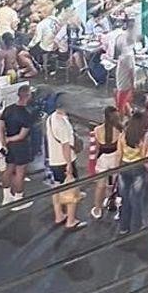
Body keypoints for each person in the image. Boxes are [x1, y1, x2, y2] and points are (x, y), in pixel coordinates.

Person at [45, 95, 86, 231]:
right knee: (71, 191)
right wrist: (69, 164)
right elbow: (65, 146)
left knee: (56, 188)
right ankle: (71, 221)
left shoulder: (51, 118)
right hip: (64, 161)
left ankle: (59, 215)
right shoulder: (62, 124)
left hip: (54, 159)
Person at [0, 83, 35, 208]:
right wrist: (9, 139)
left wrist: (4, 141)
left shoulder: (8, 109)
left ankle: (6, 197)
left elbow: (0, 126)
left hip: (9, 147)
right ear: (28, 96)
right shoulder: (27, 114)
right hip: (21, 147)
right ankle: (18, 200)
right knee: (20, 173)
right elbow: (21, 135)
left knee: (8, 169)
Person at [117, 110, 148, 236]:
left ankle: (123, 227)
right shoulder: (144, 136)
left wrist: (116, 170)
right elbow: (144, 155)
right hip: (138, 168)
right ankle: (137, 226)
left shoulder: (123, 135)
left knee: (125, 199)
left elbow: (119, 154)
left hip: (124, 167)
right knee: (136, 199)